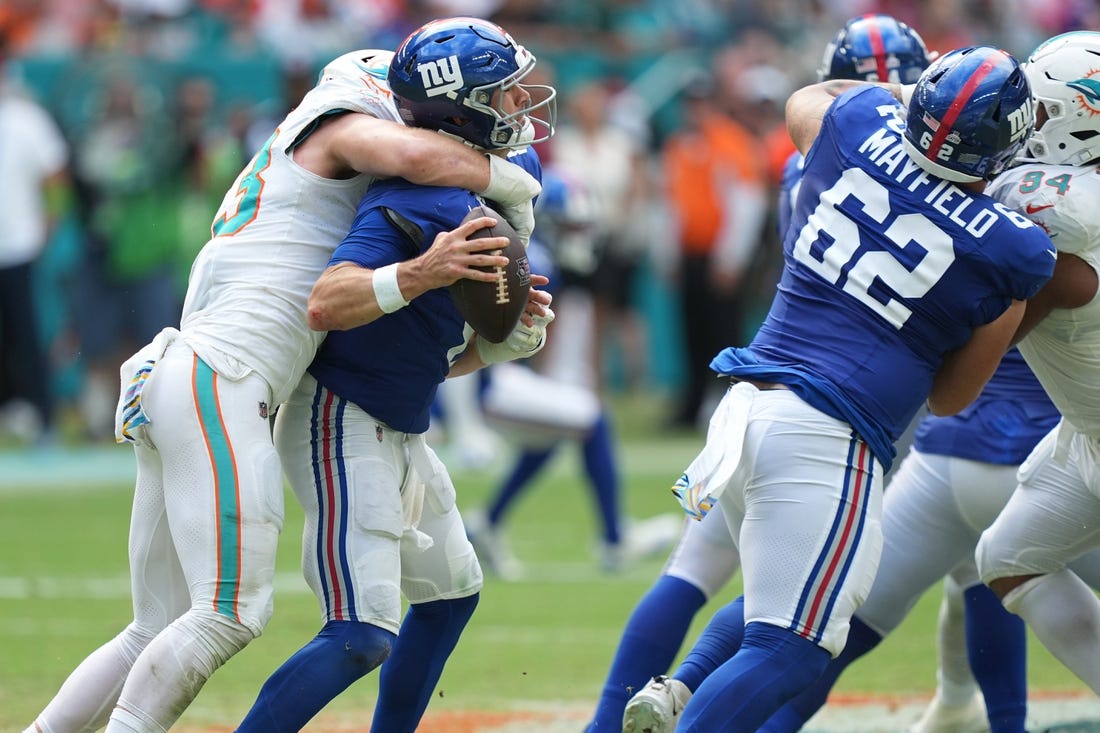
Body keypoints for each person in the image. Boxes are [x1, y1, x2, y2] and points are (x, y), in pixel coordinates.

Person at [21, 21, 547, 733]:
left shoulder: (337, 149)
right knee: (230, 611)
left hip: (192, 371)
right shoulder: (344, 131)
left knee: (156, 625)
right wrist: (518, 184)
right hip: (225, 375)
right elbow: (415, 161)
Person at [621, 44, 1053, 733]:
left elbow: (807, 100)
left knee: (771, 616)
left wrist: (904, 98)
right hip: (828, 432)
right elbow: (950, 396)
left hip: (747, 402)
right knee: (791, 650)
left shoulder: (855, 125)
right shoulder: (1016, 248)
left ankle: (679, 688)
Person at [581, 15, 936, 732]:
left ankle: (616, 717)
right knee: (813, 608)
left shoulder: (809, 155)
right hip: (840, 414)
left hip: (755, 394)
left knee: (691, 569)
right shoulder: (932, 184)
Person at [235, 18, 556, 732]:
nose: (520, 107)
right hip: (340, 417)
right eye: (503, 95)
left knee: (450, 595)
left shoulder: (496, 182)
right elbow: (329, 299)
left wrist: (503, 345)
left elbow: (433, 356)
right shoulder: (408, 199)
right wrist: (419, 272)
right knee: (360, 633)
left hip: (399, 420)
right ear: (460, 107)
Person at [464, 169, 679, 581]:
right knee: (592, 419)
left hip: (486, 378)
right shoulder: (536, 260)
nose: (581, 235)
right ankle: (615, 539)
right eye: (573, 225)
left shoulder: (535, 252)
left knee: (553, 433)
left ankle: (487, 523)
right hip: (479, 385)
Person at [976, 30, 1100, 697]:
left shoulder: (1067, 214)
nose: (1028, 125)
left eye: (1042, 111)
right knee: (1008, 559)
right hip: (1087, 432)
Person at [660, 66, 767, 430]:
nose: (695, 108)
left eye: (701, 101)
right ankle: (691, 405)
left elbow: (746, 203)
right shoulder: (678, 144)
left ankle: (727, 403)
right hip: (690, 252)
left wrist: (730, 258)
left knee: (724, 331)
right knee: (692, 333)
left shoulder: (731, 141)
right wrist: (669, 253)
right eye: (691, 102)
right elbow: (671, 204)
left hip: (719, 254)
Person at [0, 36, 70, 447]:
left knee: (28, 338)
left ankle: (45, 421)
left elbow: (54, 174)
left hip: (19, 245)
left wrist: (49, 223)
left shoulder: (26, 117)